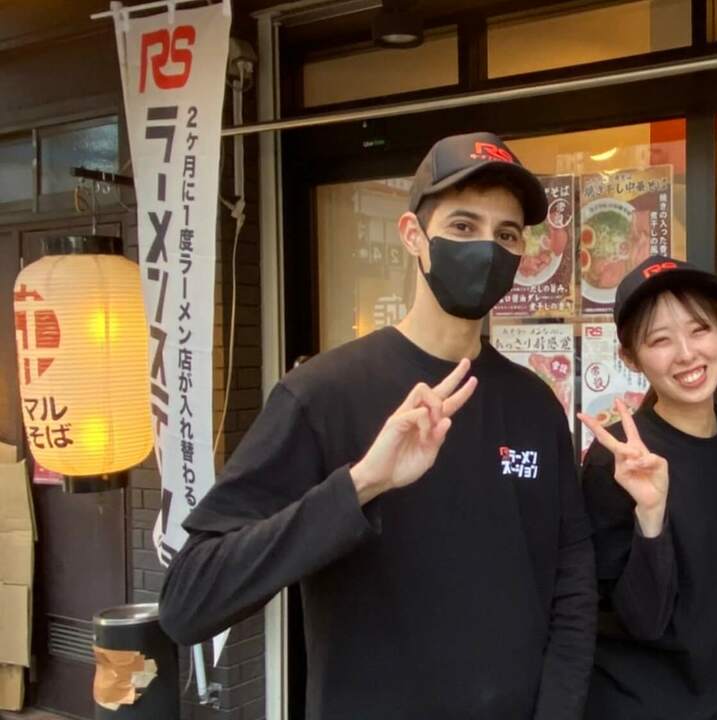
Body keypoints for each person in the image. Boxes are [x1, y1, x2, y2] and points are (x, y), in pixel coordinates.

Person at [159, 132, 596, 720]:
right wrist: (361, 483)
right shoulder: (320, 394)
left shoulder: (535, 404)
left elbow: (572, 575)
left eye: (507, 234)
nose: (487, 249)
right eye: (463, 226)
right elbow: (188, 601)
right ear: (413, 235)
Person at [578, 256, 717, 720]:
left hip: (709, 694)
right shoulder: (618, 459)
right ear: (630, 358)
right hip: (635, 703)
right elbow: (640, 619)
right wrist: (651, 517)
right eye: (660, 340)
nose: (686, 353)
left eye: (699, 330)